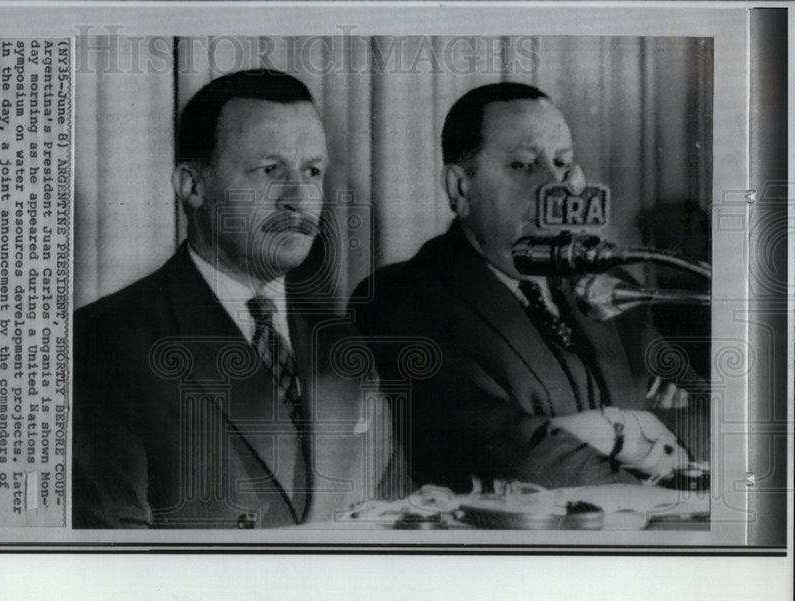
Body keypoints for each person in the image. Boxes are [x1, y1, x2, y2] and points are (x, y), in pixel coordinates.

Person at [74, 69, 407, 528]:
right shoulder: (104, 342)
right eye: (270, 171)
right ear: (193, 185)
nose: (299, 197)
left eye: (312, 171)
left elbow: (395, 526)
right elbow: (116, 562)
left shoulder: (344, 348)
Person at [351, 82, 705, 490]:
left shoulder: (610, 286)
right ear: (460, 188)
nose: (556, 187)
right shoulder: (400, 296)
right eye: (523, 165)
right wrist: (623, 429)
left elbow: (704, 417)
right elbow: (516, 461)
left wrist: (568, 434)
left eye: (562, 163)